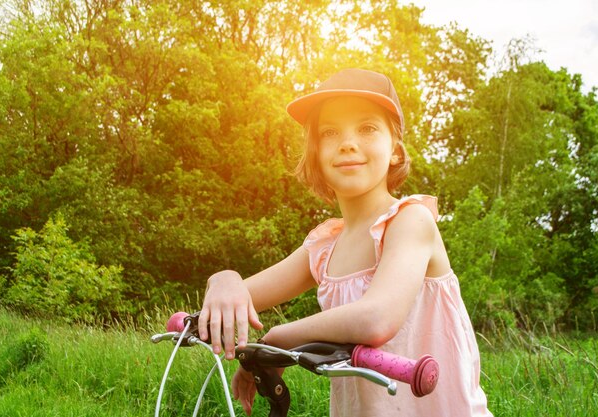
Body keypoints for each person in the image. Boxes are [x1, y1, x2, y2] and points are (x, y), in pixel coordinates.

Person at [198, 68, 492, 416]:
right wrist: (224, 279)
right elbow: (241, 298)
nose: (347, 142)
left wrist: (277, 340)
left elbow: (376, 319)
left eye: (367, 128)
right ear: (317, 153)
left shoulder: (410, 221)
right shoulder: (325, 245)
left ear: (395, 149)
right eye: (330, 132)